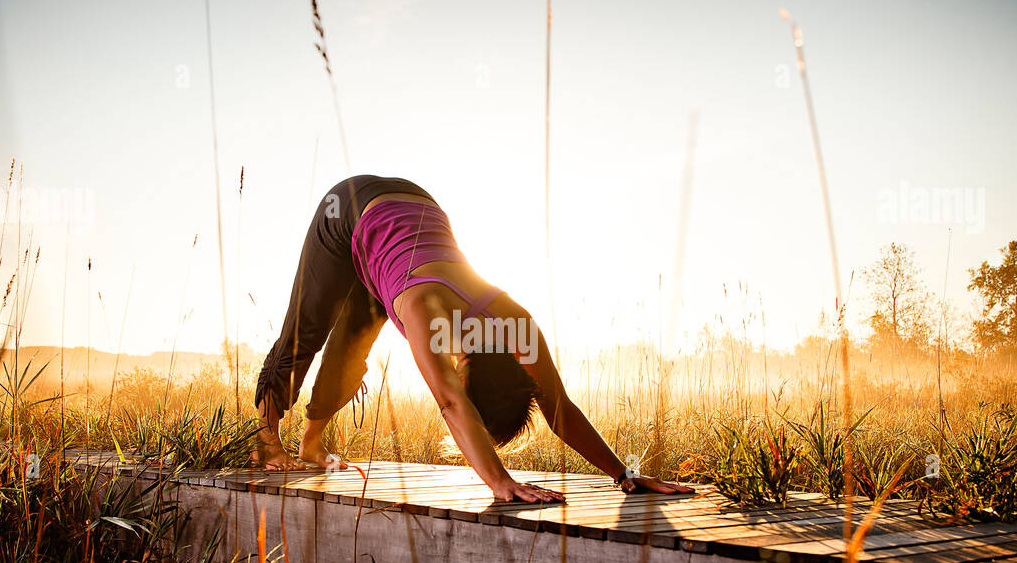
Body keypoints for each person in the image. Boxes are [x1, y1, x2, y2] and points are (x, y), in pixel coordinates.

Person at [253, 174, 693, 503]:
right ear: (467, 376)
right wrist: (501, 482)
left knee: (353, 348)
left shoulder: (516, 326)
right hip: (348, 210)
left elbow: (558, 408)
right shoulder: (427, 309)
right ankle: (266, 440)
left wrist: (625, 474)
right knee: (306, 329)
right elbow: (450, 403)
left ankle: (310, 445)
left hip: (414, 208)